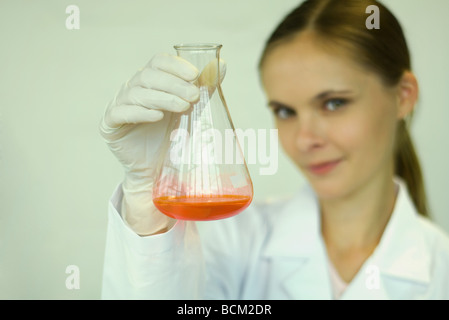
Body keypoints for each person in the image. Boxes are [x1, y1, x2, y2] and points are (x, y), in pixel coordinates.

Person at [99, 0, 449, 299]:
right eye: (285, 111)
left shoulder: (441, 270)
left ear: (403, 96)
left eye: (333, 103)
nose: (304, 139)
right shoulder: (235, 240)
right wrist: (146, 204)